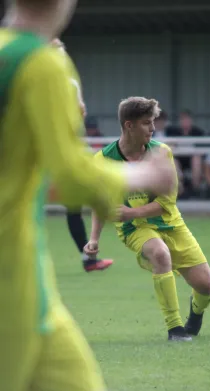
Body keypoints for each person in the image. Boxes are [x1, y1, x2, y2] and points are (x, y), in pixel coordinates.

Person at [0, 1, 176, 391]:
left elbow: (28, 171)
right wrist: (143, 173)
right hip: (9, 283)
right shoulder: (41, 63)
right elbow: (72, 178)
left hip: (35, 288)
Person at [84, 97, 210, 342]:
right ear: (128, 125)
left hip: (171, 223)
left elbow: (167, 203)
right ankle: (175, 329)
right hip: (134, 228)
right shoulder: (103, 160)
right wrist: (93, 239)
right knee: (160, 254)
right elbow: (100, 203)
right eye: (146, 123)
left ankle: (195, 314)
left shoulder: (161, 152)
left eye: (153, 122)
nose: (153, 128)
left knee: (206, 289)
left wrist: (131, 211)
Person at [51, 38, 113, 272]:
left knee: (73, 205)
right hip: (56, 152)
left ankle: (88, 258)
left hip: (58, 152)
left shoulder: (64, 83)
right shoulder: (65, 83)